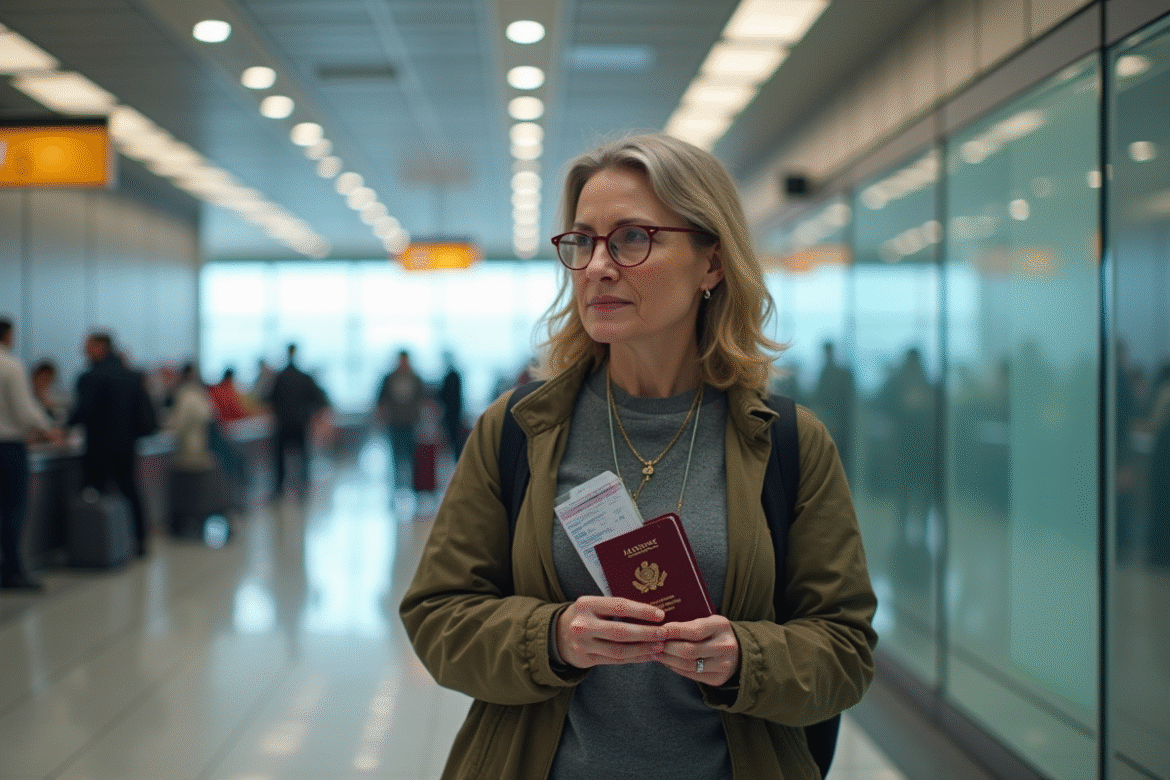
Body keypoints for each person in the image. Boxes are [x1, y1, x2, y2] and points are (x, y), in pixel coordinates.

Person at [400, 134, 878, 780]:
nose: (598, 265)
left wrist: (746, 655)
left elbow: (845, 650)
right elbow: (438, 616)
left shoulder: (787, 441)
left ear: (711, 263)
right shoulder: (519, 429)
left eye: (631, 238)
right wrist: (553, 636)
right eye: (583, 241)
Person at [68, 332, 155, 557]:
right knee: (130, 490)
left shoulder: (91, 377)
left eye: (88, 346)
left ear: (100, 347)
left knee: (95, 493)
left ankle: (97, 547)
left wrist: (64, 427)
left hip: (99, 447)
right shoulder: (132, 376)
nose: (84, 351)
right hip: (127, 445)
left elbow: (83, 411)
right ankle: (139, 540)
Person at [0, 318, 64, 590]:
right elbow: (25, 411)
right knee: (13, 509)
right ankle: (12, 570)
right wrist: (48, 430)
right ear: (7, 336)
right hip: (9, 447)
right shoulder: (12, 366)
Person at [266, 344, 328, 498]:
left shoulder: (280, 377)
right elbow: (320, 399)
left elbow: (269, 399)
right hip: (300, 423)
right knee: (302, 457)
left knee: (281, 459)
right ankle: (303, 486)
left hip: (283, 424)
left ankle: (279, 488)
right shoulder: (303, 377)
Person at [375, 350, 427, 489]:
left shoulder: (415, 378)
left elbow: (423, 399)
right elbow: (380, 401)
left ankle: (414, 489)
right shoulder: (388, 378)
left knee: (413, 459)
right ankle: (394, 490)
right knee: (395, 458)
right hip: (394, 423)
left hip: (411, 423)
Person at [437, 351, 465, 455]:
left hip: (452, 414)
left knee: (454, 442)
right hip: (452, 414)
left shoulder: (452, 376)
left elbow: (448, 396)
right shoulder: (452, 375)